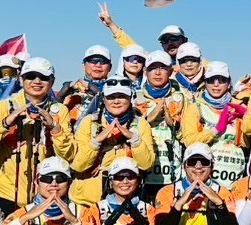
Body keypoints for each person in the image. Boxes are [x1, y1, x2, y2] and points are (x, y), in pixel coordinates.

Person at [0, 58, 76, 214]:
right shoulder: (3, 107)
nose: (37, 81)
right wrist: (4, 124)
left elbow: (68, 156)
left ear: (52, 81)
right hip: (4, 196)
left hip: (44, 197)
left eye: (43, 77)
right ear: (21, 80)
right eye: (30, 76)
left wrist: (55, 128)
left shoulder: (59, 110)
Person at [71, 78, 157, 207]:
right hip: (86, 202)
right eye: (111, 97)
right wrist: (97, 141)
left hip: (126, 201)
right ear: (104, 99)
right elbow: (78, 166)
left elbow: (146, 165)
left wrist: (134, 139)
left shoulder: (140, 124)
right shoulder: (89, 122)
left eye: (122, 96)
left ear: (130, 98)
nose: (116, 101)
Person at [178, 61, 248, 189]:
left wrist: (247, 119)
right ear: (205, 83)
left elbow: (245, 144)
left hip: (233, 178)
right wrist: (216, 131)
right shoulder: (195, 108)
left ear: (228, 83)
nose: (216, 84)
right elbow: (189, 142)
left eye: (221, 80)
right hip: (204, 179)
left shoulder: (239, 106)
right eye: (211, 80)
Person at [134, 50, 184, 199]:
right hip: (143, 174)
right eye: (152, 68)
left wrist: (172, 123)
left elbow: (188, 134)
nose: (157, 73)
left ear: (170, 71)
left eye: (162, 68)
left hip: (173, 174)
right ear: (145, 71)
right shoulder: (135, 98)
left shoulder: (181, 98)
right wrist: (147, 120)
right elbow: (129, 133)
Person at [58, 45, 115, 117]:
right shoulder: (70, 89)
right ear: (83, 66)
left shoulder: (117, 89)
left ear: (110, 67)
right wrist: (59, 98)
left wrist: (96, 91)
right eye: (93, 61)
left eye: (103, 62)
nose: (98, 65)